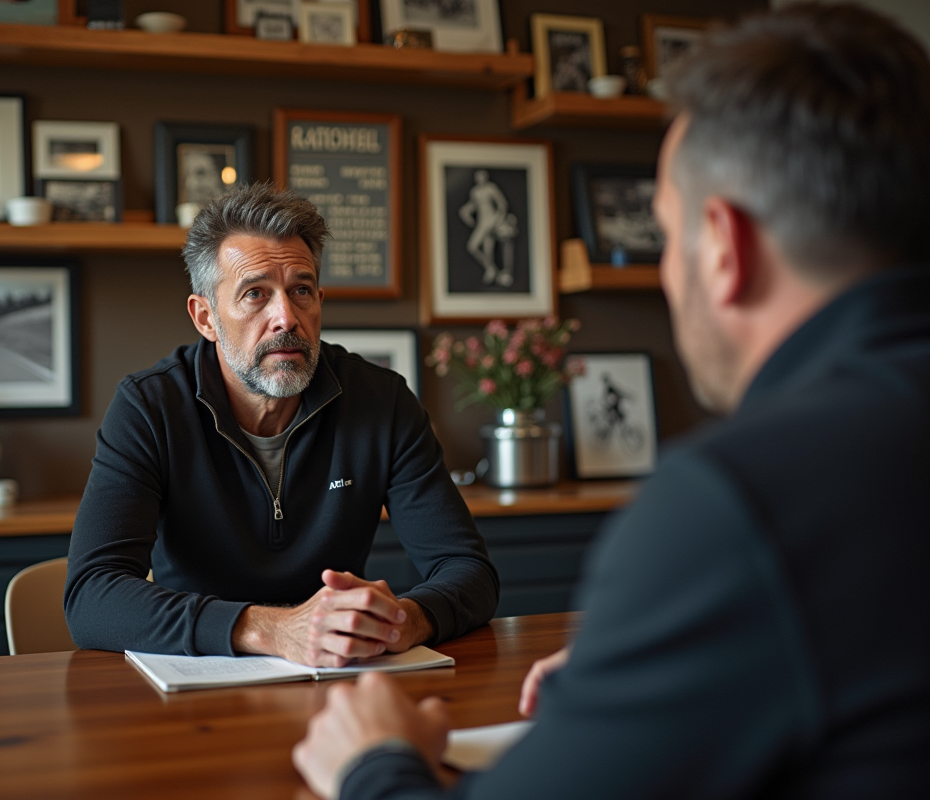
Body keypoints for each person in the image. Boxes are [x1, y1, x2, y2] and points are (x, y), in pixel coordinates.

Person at [293, 4, 930, 798]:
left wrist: (373, 762)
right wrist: (649, 663)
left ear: (725, 248)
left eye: (666, 238)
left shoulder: (736, 502)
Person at [65, 183, 498, 667]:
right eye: (255, 294)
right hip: (197, 679)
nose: (286, 318)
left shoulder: (382, 401)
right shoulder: (150, 406)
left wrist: (403, 619)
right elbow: (91, 596)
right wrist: (271, 629)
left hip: (338, 678)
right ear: (205, 317)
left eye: (301, 291)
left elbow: (468, 571)